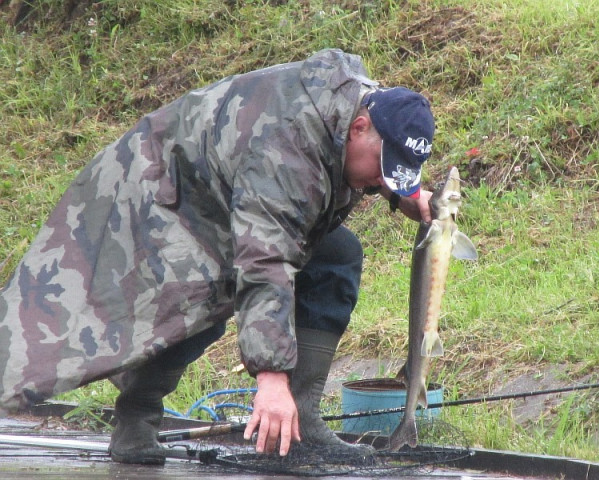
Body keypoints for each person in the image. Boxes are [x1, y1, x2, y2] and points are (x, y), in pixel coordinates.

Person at [0, 48, 435, 464]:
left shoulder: (362, 107)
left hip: (225, 195)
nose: (382, 178)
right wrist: (270, 378)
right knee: (196, 300)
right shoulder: (285, 144)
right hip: (157, 194)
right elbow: (266, 260)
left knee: (337, 254)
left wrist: (403, 193)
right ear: (359, 127)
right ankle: (138, 412)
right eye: (383, 166)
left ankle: (299, 421)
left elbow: (352, 166)